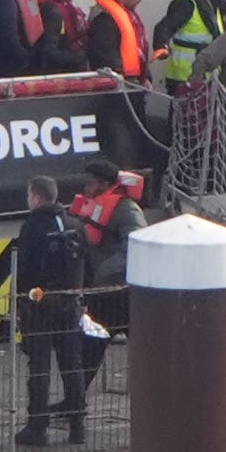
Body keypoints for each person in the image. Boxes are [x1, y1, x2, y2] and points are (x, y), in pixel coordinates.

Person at [12, 176, 87, 447]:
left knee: (40, 368)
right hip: (69, 305)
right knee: (72, 365)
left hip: (39, 306)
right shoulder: (75, 226)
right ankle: (78, 425)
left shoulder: (32, 228)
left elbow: (24, 271)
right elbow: (85, 266)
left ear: (35, 197)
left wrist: (24, 304)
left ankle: (38, 426)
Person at [70, 158, 147, 380]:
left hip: (123, 292)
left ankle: (161, 398)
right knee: (90, 347)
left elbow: (135, 245)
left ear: (104, 184)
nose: (87, 188)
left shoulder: (127, 209)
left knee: (145, 348)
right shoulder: (96, 206)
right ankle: (75, 401)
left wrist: (102, 272)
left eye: (91, 183)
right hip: (102, 292)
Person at [153, 0, 226, 91]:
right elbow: (164, 26)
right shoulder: (186, 2)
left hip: (206, 74)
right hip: (184, 75)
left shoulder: (214, 1)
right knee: (182, 112)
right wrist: (161, 46)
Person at [85, 0, 150, 81]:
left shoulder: (131, 18)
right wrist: (119, 75)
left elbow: (139, 49)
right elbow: (105, 55)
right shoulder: (105, 21)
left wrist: (145, 77)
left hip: (135, 82)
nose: (140, 0)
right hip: (118, 84)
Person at [31, 0, 89, 74]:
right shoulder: (53, 12)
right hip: (60, 72)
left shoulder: (45, 6)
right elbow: (49, 52)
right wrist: (81, 57)